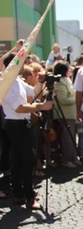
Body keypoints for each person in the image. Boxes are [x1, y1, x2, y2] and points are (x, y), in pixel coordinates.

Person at [2, 53, 53, 210]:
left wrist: (43, 81)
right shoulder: (5, 83)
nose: (24, 67)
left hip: (21, 123)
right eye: (21, 63)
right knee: (28, 159)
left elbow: (33, 91)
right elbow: (18, 107)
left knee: (18, 160)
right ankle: (29, 195)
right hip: (14, 124)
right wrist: (41, 107)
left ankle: (19, 194)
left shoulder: (17, 80)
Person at [52, 61, 82, 169]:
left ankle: (73, 157)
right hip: (64, 114)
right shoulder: (59, 82)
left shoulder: (67, 80)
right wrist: (77, 99)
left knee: (72, 138)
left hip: (71, 114)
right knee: (67, 139)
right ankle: (66, 159)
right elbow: (62, 100)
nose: (71, 70)